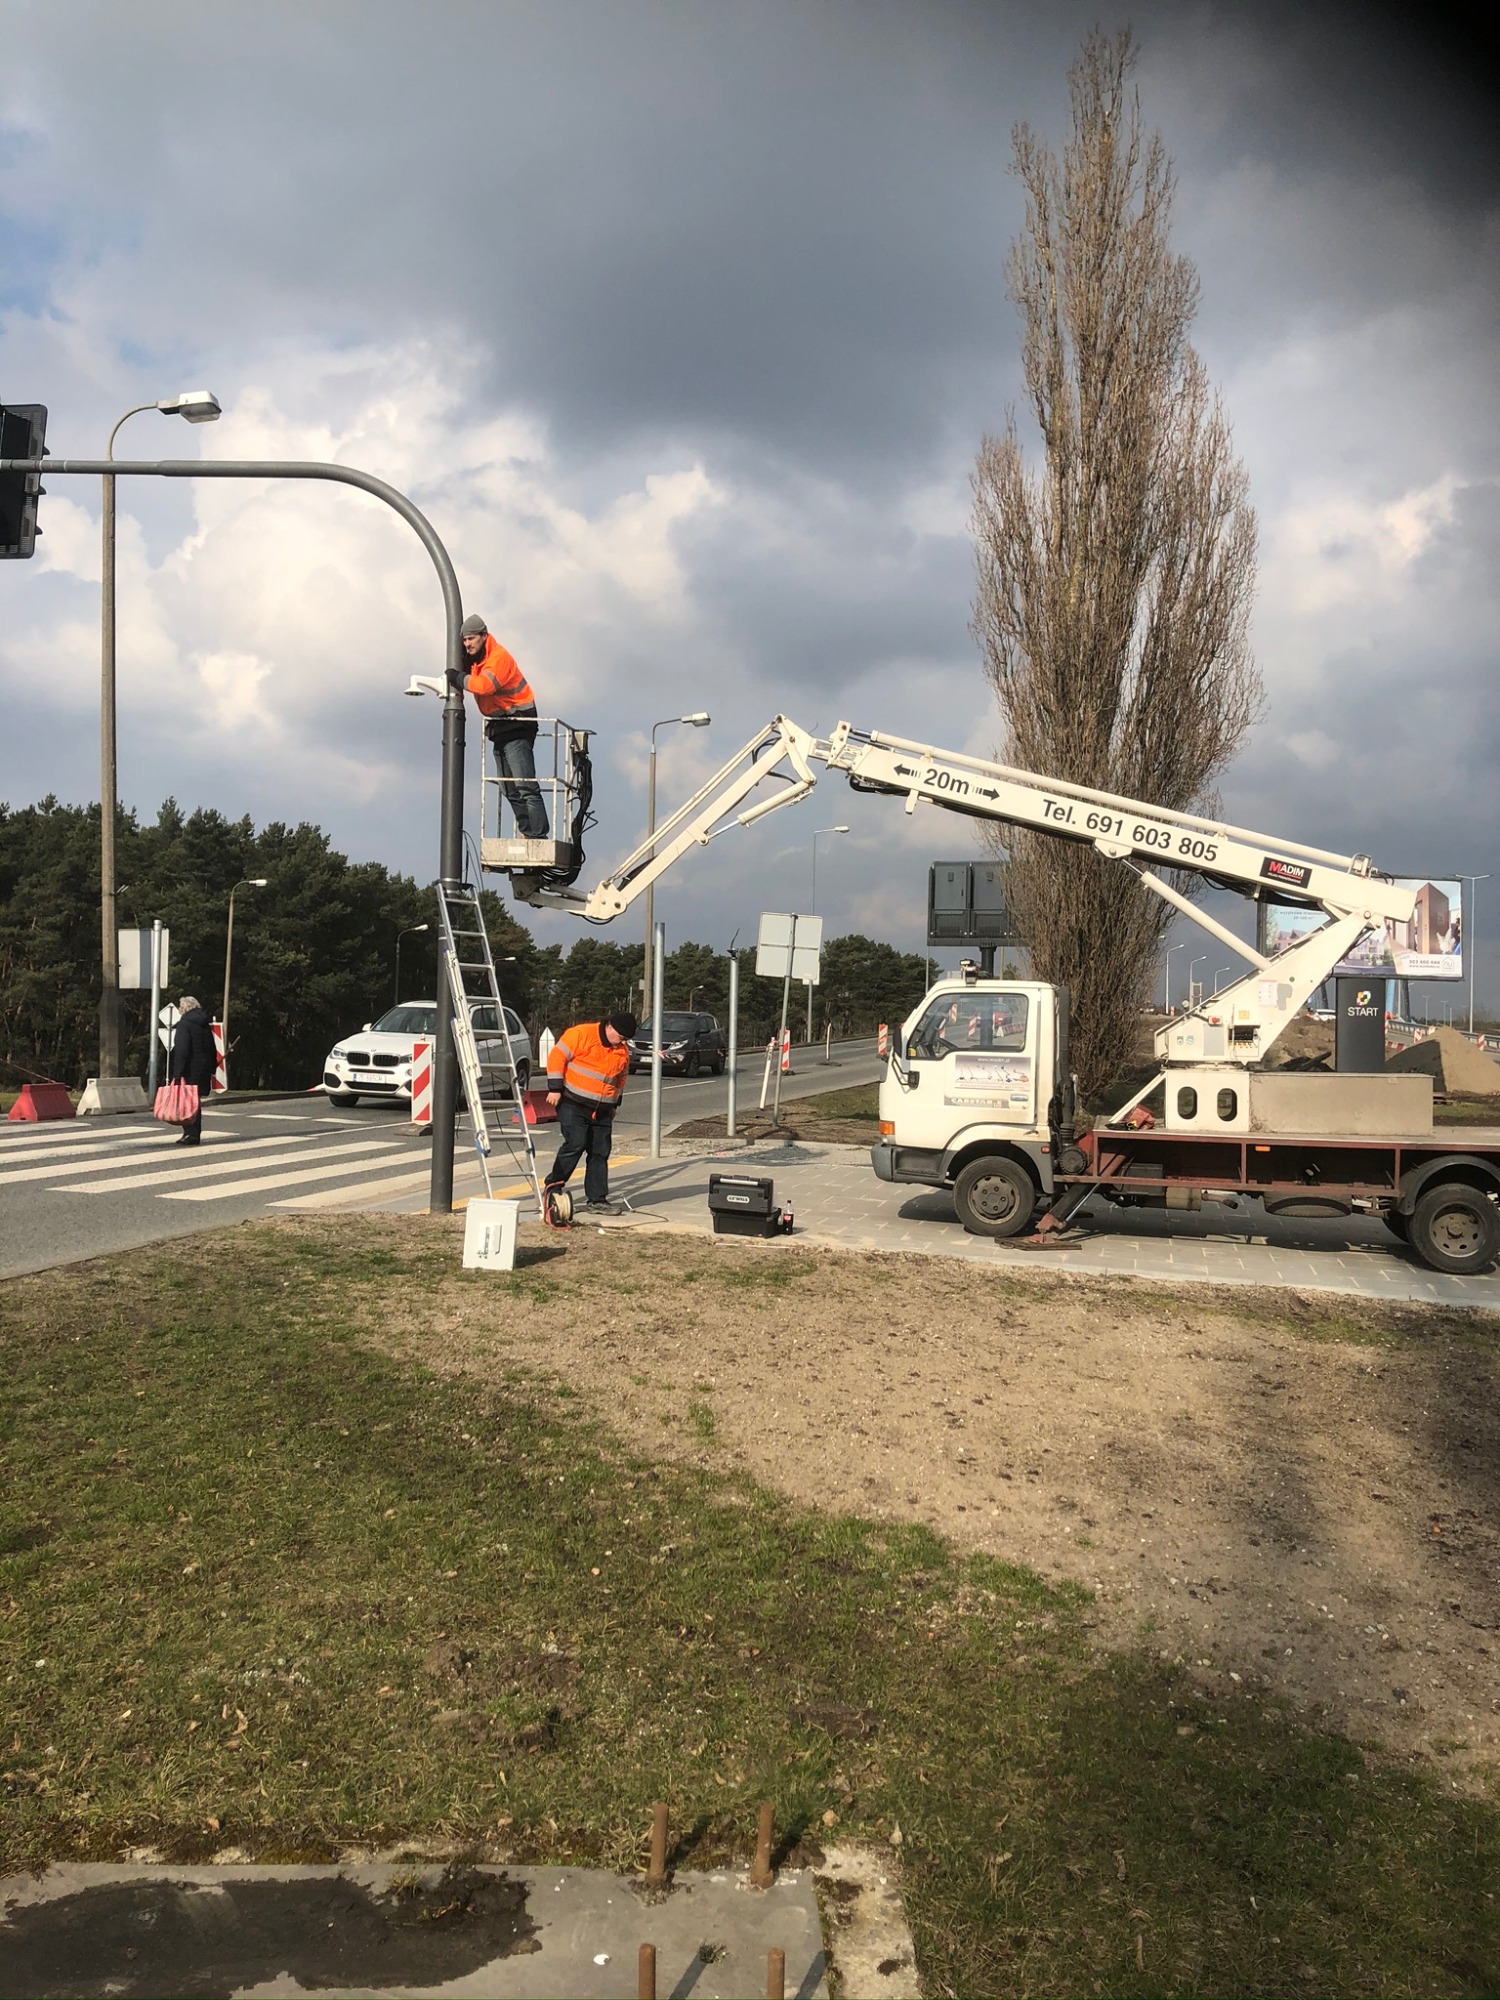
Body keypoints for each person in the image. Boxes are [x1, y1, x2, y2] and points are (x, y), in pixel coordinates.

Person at [461, 613, 550, 840]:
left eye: (471, 638)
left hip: (518, 723)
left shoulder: (498, 658)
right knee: (509, 788)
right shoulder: (479, 661)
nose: (467, 644)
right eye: (464, 640)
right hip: (501, 727)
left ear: (483, 636)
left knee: (524, 784)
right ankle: (528, 831)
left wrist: (458, 678)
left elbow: (484, 686)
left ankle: (538, 834)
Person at [544, 1012, 637, 1216]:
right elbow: (557, 1057)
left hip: (603, 1110)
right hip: (573, 1102)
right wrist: (555, 1088)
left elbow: (620, 1079)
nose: (622, 1042)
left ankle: (597, 1200)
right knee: (575, 1143)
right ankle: (553, 1187)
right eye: (621, 1037)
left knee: (599, 1152)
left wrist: (614, 1105)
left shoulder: (621, 1051)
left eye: (625, 1039)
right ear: (610, 1027)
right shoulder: (581, 1034)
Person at [167, 994, 217, 1147]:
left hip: (189, 1069)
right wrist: (212, 1067)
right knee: (195, 1100)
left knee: (186, 1101)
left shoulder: (185, 1024)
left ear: (184, 1008)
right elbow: (211, 1047)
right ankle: (194, 1132)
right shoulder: (204, 1024)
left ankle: (191, 1133)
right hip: (203, 1068)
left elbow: (182, 1050)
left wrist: (177, 1073)